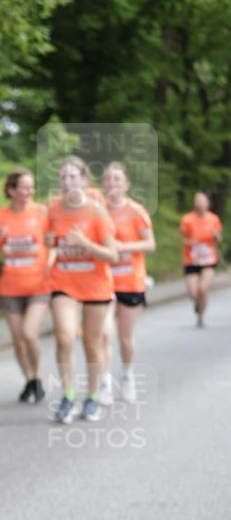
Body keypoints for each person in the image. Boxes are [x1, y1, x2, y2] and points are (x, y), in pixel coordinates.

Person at [46, 155, 118, 424]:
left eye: (73, 177)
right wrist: (48, 247)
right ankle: (67, 396)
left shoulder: (98, 212)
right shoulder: (52, 209)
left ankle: (92, 397)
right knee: (64, 337)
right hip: (63, 283)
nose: (67, 182)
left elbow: (112, 255)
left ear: (85, 180)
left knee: (92, 344)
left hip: (96, 286)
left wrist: (85, 244)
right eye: (63, 177)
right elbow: (48, 240)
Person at [0, 169, 50, 403]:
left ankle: (37, 375)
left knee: (29, 333)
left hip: (39, 285)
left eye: (31, 187)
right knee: (17, 339)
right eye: (24, 187)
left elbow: (54, 241)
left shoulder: (41, 212)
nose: (29, 191)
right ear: (11, 190)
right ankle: (30, 379)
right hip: (10, 287)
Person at [99, 162, 156, 404]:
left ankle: (127, 375)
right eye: (108, 179)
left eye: (117, 180)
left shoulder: (136, 211)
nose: (113, 184)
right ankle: (103, 382)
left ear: (126, 184)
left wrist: (123, 247)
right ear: (102, 184)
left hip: (131, 281)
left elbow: (150, 244)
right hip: (103, 282)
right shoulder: (97, 210)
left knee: (125, 337)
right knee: (103, 335)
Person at [180, 192, 223, 328]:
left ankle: (201, 316)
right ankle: (197, 304)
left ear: (207, 203)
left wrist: (216, 235)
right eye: (197, 200)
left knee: (203, 289)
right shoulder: (187, 219)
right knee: (193, 292)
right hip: (192, 259)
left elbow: (219, 239)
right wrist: (190, 242)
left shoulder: (213, 219)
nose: (199, 203)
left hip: (208, 260)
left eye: (202, 200)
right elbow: (183, 238)